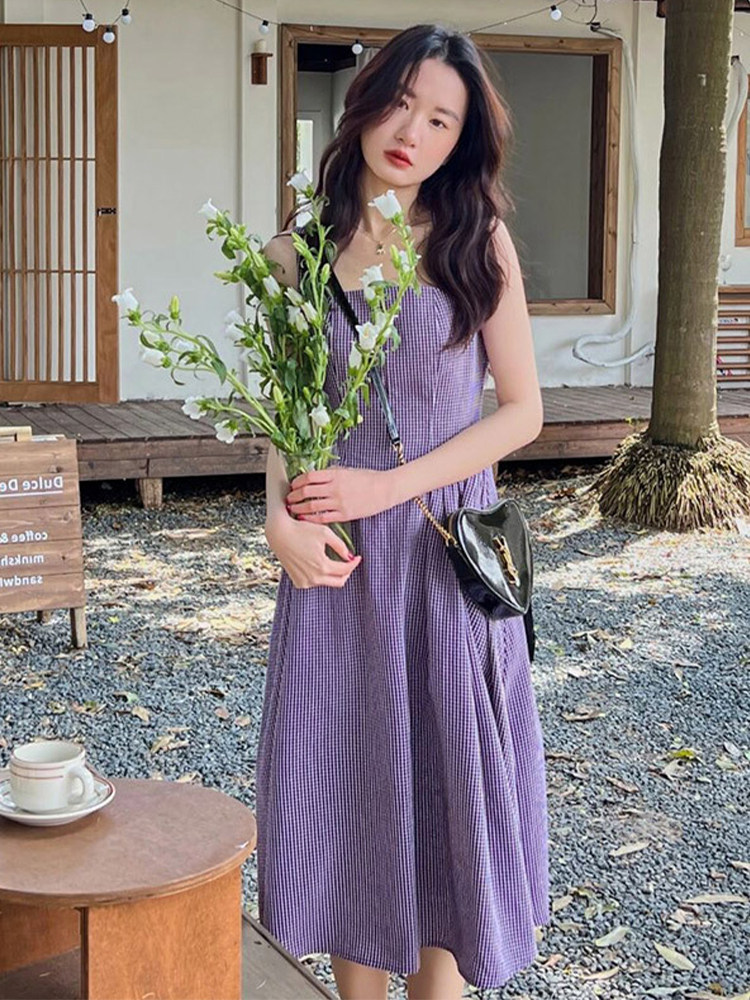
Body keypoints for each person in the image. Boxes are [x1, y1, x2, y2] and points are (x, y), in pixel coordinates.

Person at [257, 23, 549, 1000]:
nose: (411, 132)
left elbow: (523, 411)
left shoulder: (474, 239)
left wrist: (386, 485)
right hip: (337, 562)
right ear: (365, 102)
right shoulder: (298, 250)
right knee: (352, 781)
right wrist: (278, 521)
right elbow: (284, 412)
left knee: (441, 783)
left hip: (436, 554)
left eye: (440, 119)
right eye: (400, 104)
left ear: (462, 139)